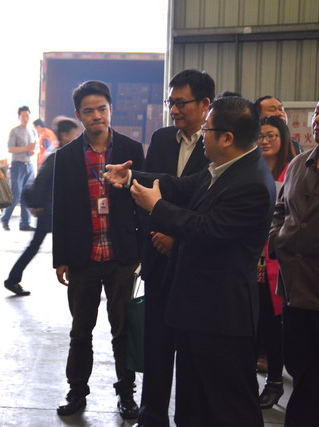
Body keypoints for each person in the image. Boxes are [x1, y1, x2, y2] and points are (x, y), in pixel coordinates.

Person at [106, 96, 275, 427]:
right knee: (193, 402)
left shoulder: (252, 183)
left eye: (207, 130)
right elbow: (178, 186)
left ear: (227, 138)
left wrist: (157, 208)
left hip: (221, 316)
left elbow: (206, 229)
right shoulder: (224, 168)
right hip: (196, 311)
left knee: (228, 406)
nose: (202, 136)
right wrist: (130, 177)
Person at [53, 81, 144, 419]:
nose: (96, 116)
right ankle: (77, 391)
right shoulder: (66, 156)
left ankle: (127, 393)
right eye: (89, 111)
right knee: (81, 331)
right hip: (83, 257)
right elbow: (60, 209)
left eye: (102, 109)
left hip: (122, 256)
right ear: (79, 115)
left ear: (110, 110)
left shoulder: (131, 149)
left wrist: (143, 252)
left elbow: (142, 203)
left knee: (123, 330)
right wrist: (61, 258)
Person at [137, 69, 213, 427]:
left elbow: (209, 205)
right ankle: (151, 416)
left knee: (191, 351)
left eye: (181, 103)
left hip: (195, 262)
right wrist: (158, 233)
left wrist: (176, 237)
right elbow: (151, 191)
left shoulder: (217, 143)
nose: (174, 110)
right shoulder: (162, 138)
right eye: (171, 103)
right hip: (158, 257)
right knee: (156, 345)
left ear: (205, 104)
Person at [269, 87, 319, 427]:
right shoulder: (297, 165)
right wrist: (277, 238)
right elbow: (280, 211)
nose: (317, 119)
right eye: (317, 112)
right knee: (304, 376)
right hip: (295, 293)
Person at [4, 119, 78, 296]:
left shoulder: (59, 152)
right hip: (49, 207)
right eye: (74, 135)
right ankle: (13, 279)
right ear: (64, 135)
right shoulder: (58, 154)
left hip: (51, 206)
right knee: (61, 242)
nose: (76, 138)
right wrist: (37, 204)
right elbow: (42, 179)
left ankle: (13, 279)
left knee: (39, 244)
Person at [255, 115, 295, 410]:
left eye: (272, 135)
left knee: (273, 325)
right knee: (253, 323)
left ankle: (275, 382)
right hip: (250, 259)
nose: (265, 141)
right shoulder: (252, 170)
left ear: (283, 139)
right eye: (261, 136)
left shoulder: (292, 170)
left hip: (277, 261)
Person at [0, 106, 37, 231]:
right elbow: (10, 149)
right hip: (17, 165)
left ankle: (25, 223)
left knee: (27, 195)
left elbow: (34, 149)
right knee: (15, 194)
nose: (25, 118)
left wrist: (32, 151)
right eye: (23, 116)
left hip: (29, 165)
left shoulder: (33, 131)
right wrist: (26, 148)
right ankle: (5, 219)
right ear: (19, 117)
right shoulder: (14, 131)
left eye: (27, 115)